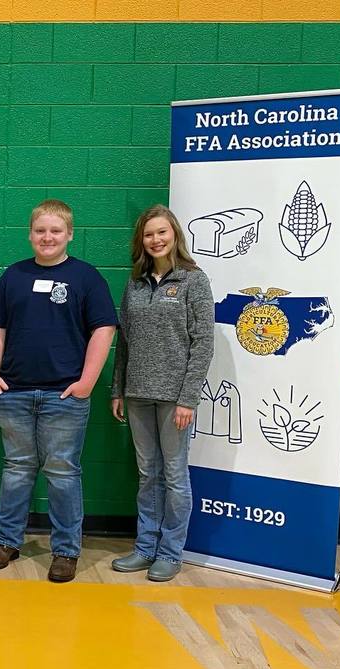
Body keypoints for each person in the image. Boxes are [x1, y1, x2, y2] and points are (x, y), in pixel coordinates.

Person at [0, 199, 117, 581]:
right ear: (30, 234)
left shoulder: (87, 278)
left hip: (65, 397)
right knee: (17, 469)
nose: (47, 237)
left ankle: (65, 550)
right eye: (40, 231)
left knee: (62, 473)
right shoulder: (14, 275)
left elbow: (104, 329)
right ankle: (6, 541)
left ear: (69, 234)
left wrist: (87, 381)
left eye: (55, 231)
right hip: (14, 393)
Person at [110, 205, 215, 582]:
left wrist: (189, 398)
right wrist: (118, 389)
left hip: (174, 398)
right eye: (148, 234)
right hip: (137, 394)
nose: (155, 240)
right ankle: (145, 547)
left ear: (175, 236)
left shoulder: (193, 280)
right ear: (141, 240)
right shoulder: (135, 283)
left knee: (174, 473)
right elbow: (125, 341)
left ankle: (170, 552)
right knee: (147, 474)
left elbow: (203, 343)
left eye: (162, 233)